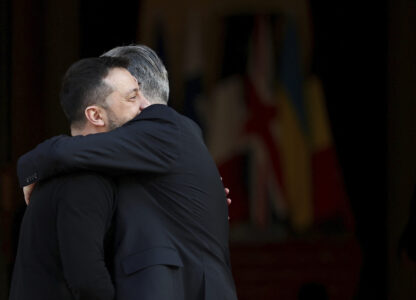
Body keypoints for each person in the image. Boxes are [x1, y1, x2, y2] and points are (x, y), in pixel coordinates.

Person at [17, 45, 238, 300]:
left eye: (133, 94)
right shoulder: (154, 150)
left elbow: (67, 152)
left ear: (139, 89)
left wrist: (28, 168)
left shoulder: (160, 125)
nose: (139, 103)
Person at [9, 56, 140, 300]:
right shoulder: (84, 179)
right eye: (132, 98)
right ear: (96, 116)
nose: (143, 105)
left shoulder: (66, 171)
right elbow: (88, 282)